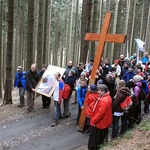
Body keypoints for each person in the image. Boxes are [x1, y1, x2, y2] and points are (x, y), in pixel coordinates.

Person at [88, 84, 112, 150]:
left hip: (100, 122)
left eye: (99, 91)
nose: (97, 92)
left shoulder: (104, 100)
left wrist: (94, 120)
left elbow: (100, 113)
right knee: (102, 136)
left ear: (103, 91)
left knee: (96, 137)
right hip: (104, 121)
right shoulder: (107, 97)